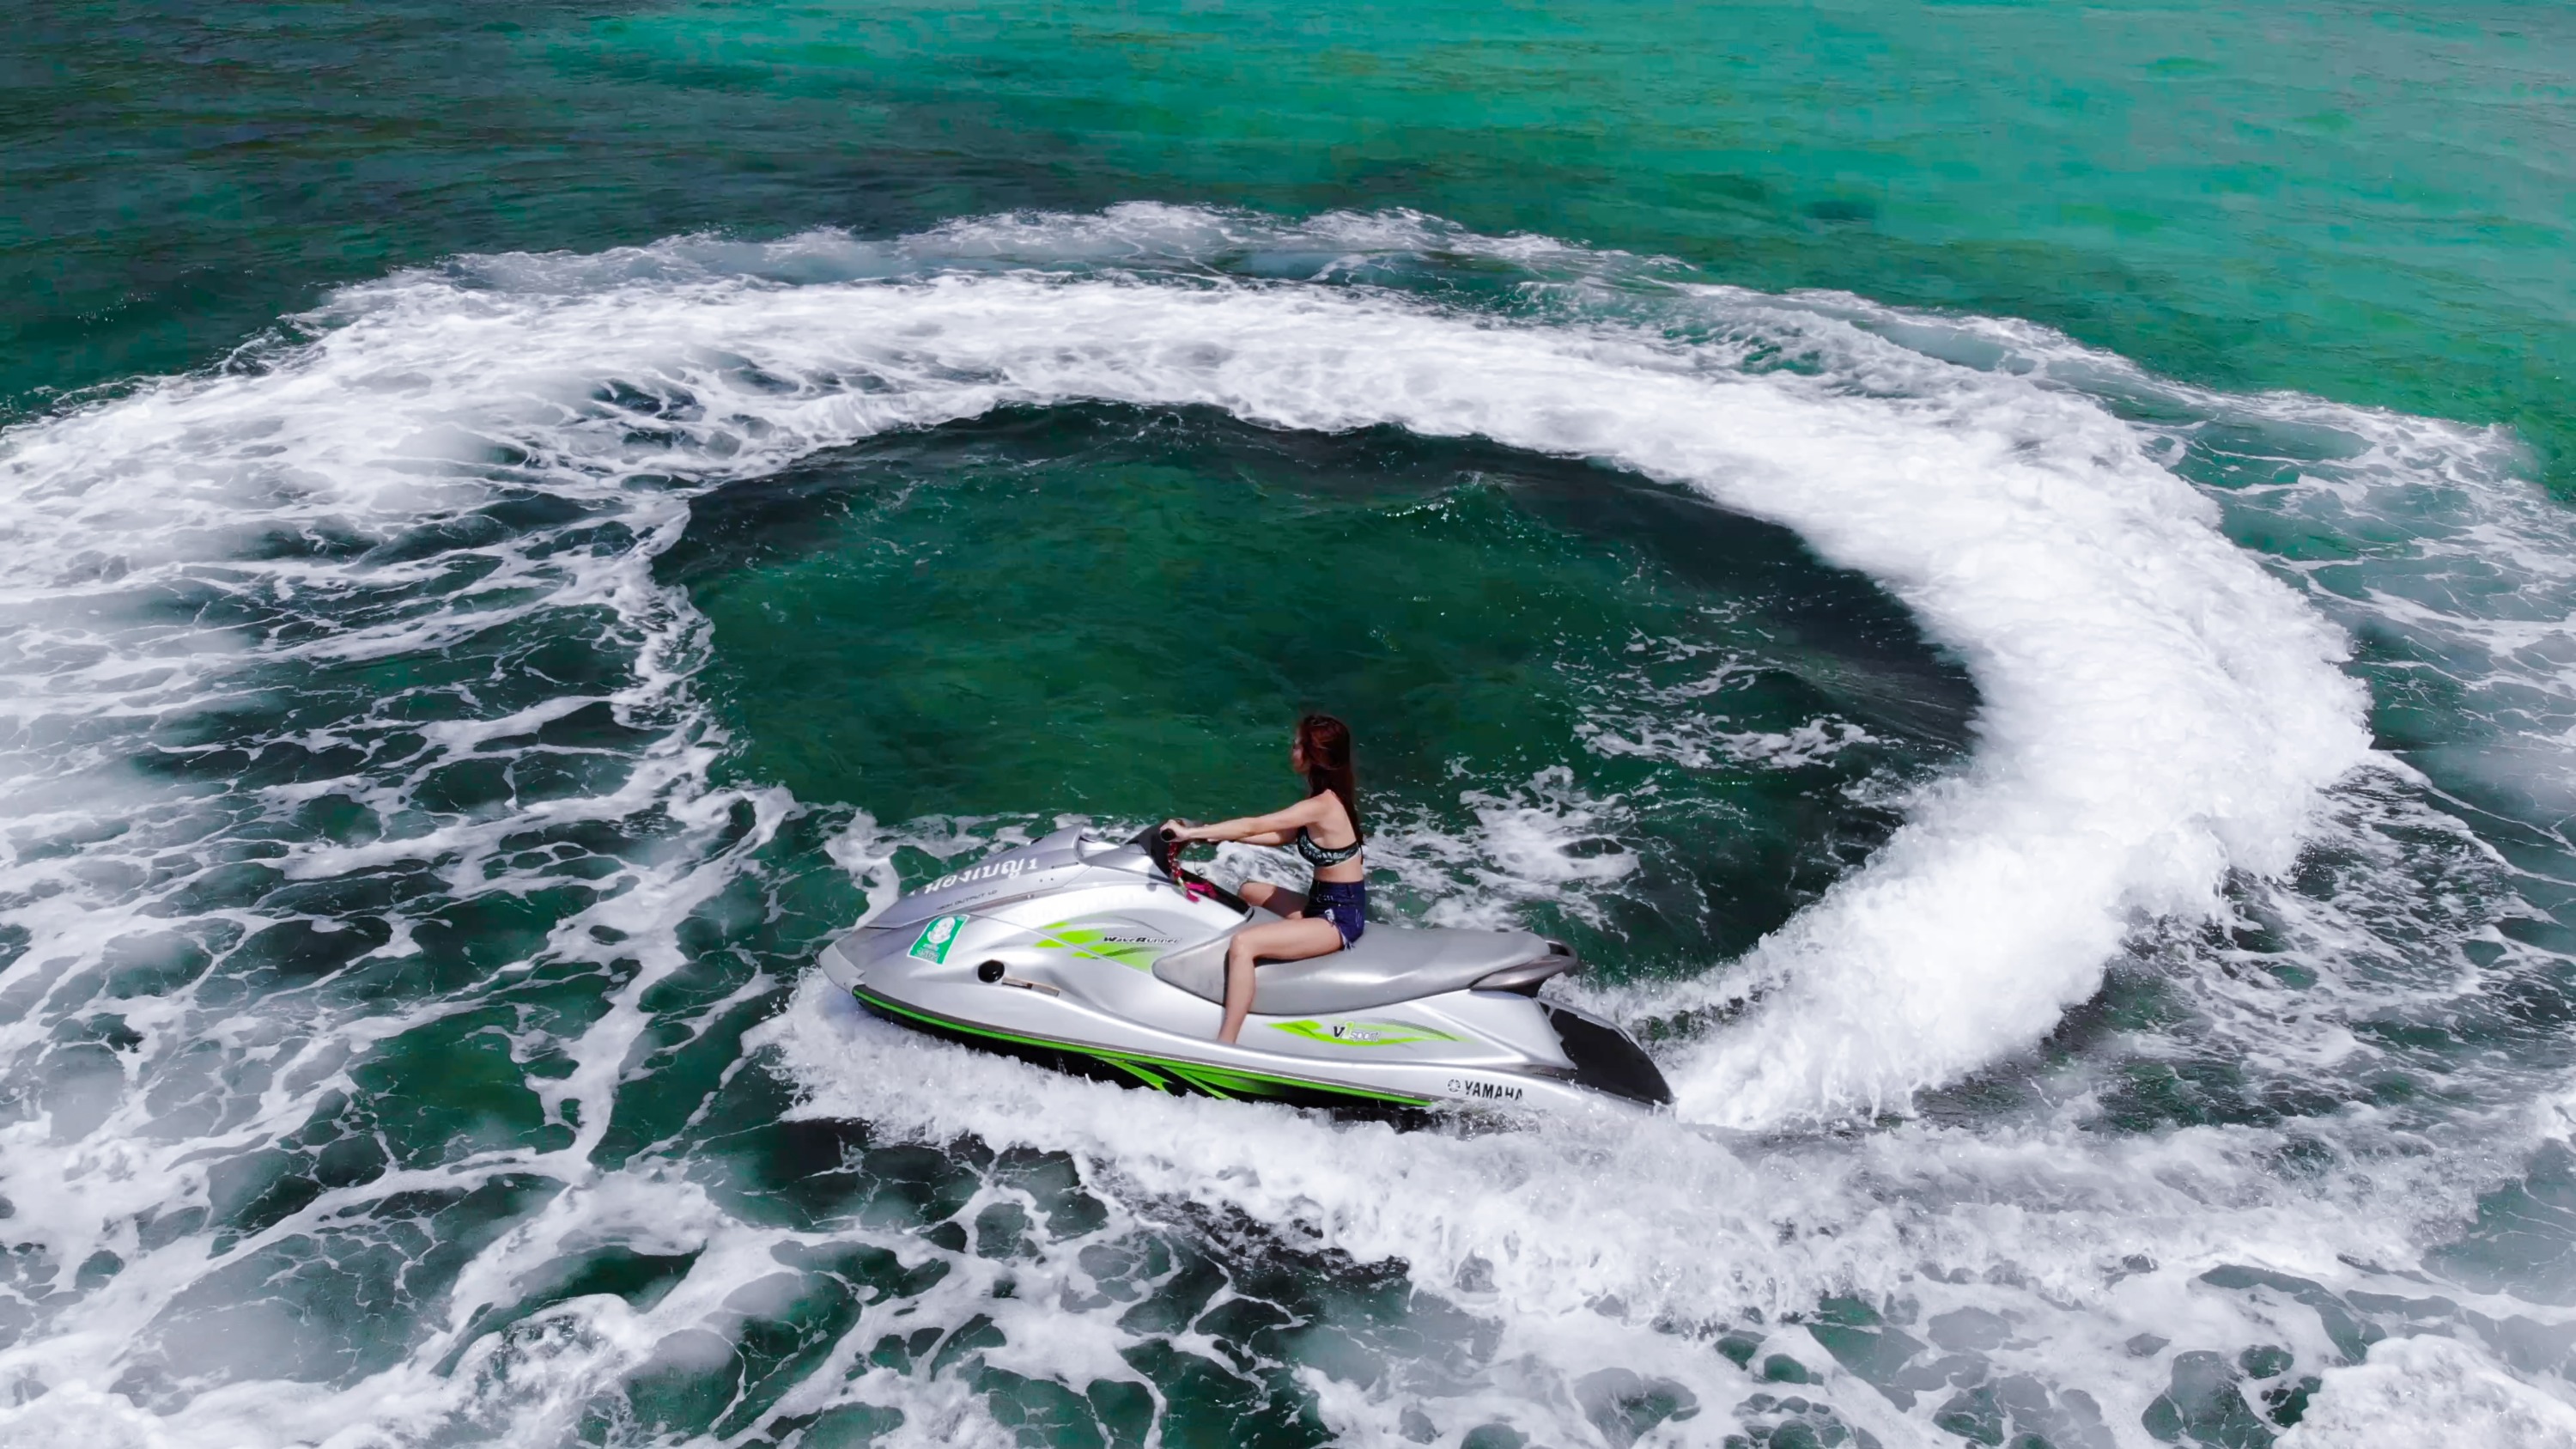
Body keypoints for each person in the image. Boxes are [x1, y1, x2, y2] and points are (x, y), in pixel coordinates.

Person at [1161, 713, 1366, 1044]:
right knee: (1249, 891)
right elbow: (1279, 835)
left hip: (1337, 920)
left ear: (1317, 755)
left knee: (1245, 944)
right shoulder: (1324, 800)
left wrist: (1195, 831)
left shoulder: (1323, 805)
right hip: (1320, 904)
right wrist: (1214, 836)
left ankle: (1226, 1043)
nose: (1293, 749)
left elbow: (1254, 825)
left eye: (1299, 744)